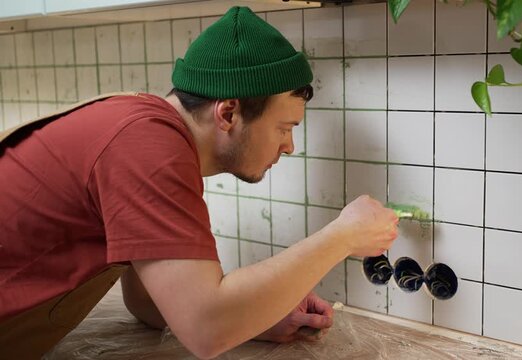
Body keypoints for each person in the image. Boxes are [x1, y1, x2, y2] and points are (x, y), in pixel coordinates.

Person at [0, 6, 399, 359]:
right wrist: (343, 237)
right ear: (228, 112)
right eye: (284, 127)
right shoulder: (146, 146)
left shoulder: (147, 131)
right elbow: (206, 328)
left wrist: (256, 320)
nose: (290, 146)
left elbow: (148, 303)